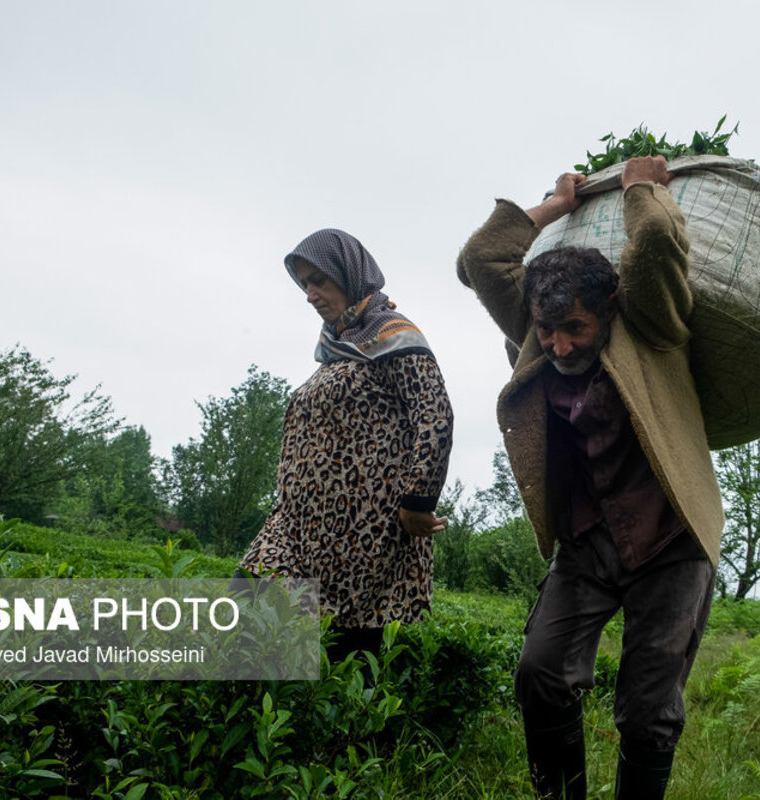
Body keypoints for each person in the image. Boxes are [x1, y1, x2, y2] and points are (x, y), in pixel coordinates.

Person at [456, 156, 724, 799]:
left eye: (574, 328)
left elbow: (657, 242)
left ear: (606, 309)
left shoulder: (650, 324)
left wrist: (638, 186)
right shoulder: (532, 331)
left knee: (647, 710)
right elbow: (480, 259)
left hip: (669, 542)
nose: (559, 346)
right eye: (548, 331)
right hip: (588, 544)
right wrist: (556, 204)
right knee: (541, 673)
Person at [238, 228, 453, 665]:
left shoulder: (394, 334)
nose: (310, 294)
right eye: (304, 284)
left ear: (349, 274)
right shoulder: (338, 347)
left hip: (363, 532)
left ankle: (345, 735)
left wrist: (417, 501)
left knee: (344, 653)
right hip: (299, 524)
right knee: (247, 613)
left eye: (320, 280)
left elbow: (434, 415)